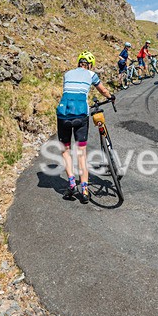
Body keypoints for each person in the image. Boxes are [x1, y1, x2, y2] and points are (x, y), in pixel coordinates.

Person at [56, 51, 113, 204]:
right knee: (81, 153)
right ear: (90, 64)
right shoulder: (91, 74)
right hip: (81, 115)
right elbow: (103, 90)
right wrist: (110, 97)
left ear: (78, 62)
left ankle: (72, 184)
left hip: (63, 115)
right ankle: (85, 190)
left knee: (65, 150)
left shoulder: (67, 74)